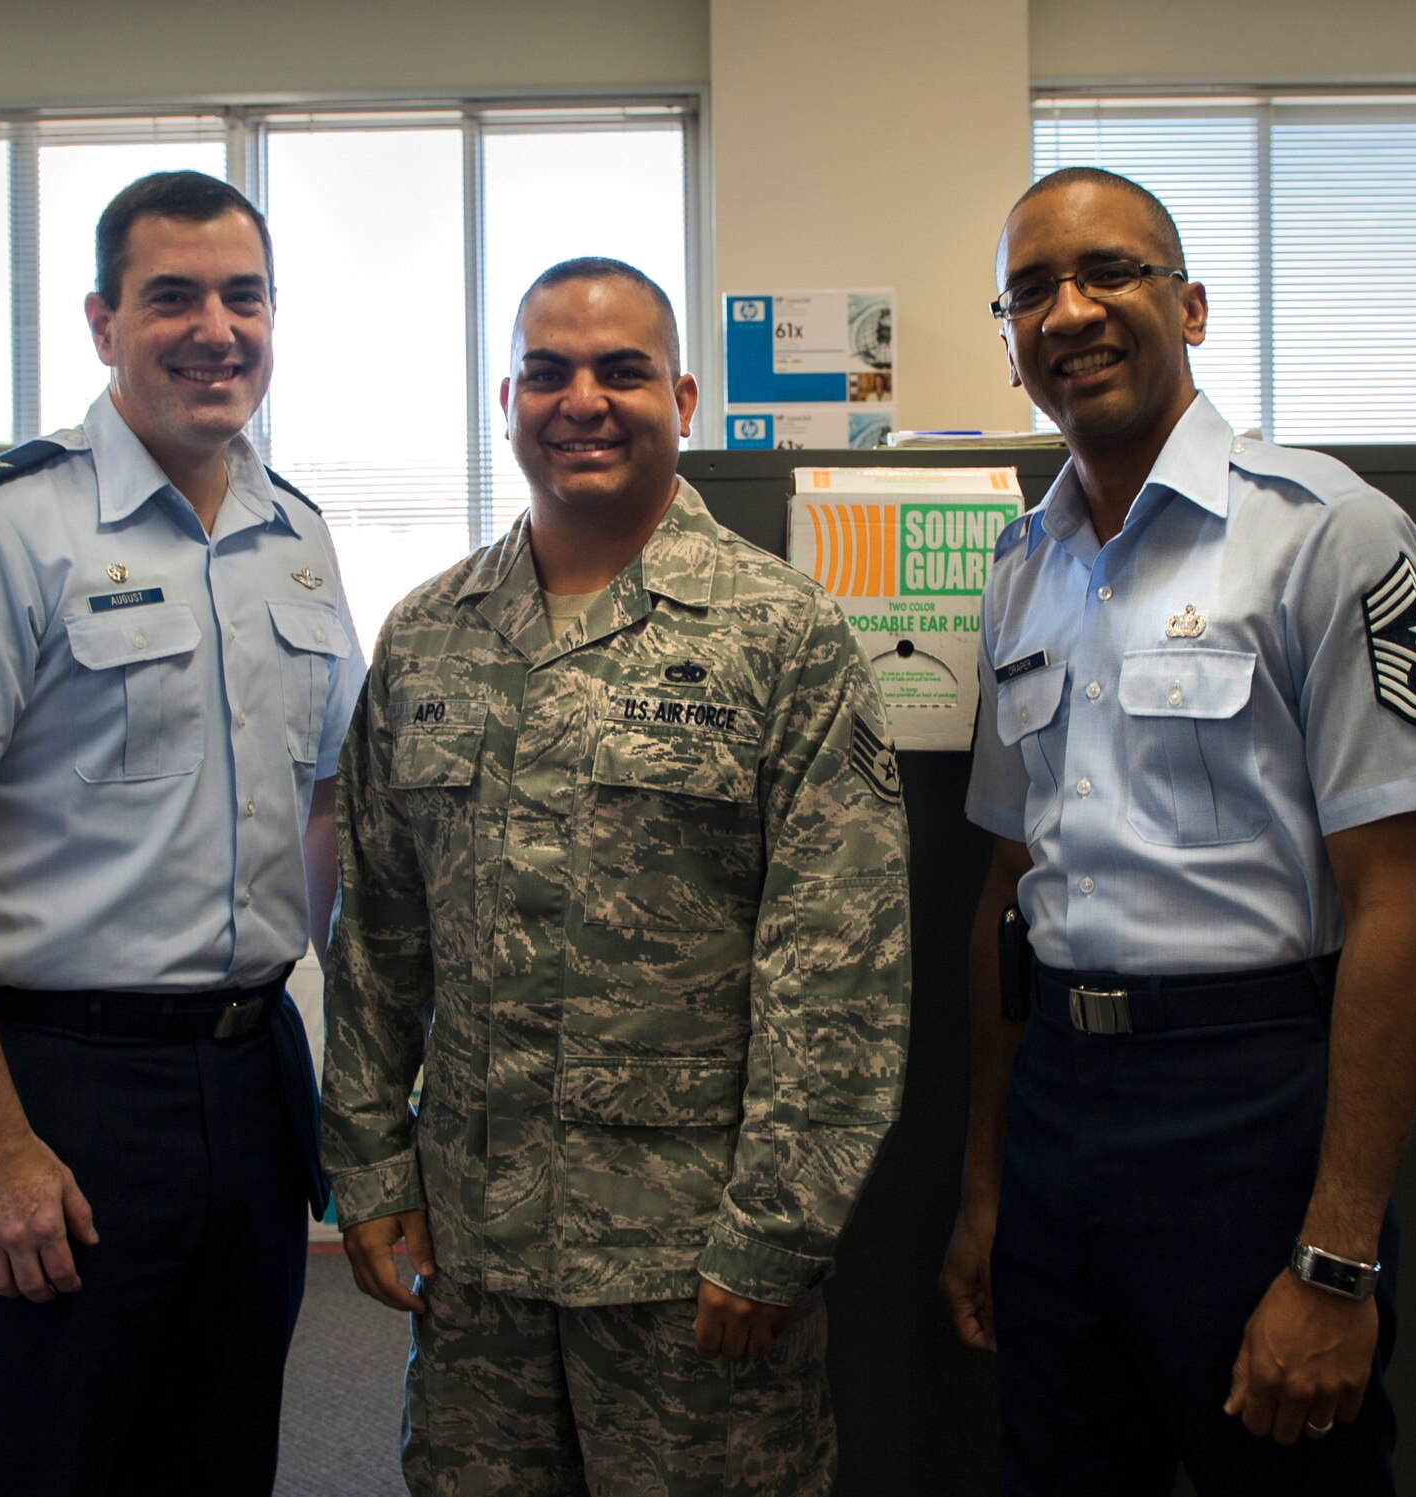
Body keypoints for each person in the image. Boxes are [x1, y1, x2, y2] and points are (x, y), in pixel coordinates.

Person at [321, 257, 910, 1494]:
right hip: (476, 1257)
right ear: (506, 398)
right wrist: (371, 1171)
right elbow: (374, 934)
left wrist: (772, 1234)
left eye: (621, 371)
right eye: (548, 371)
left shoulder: (780, 634)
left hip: (690, 1265)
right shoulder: (427, 634)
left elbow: (837, 972)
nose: (580, 399)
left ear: (683, 400)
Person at [938, 167, 1416, 1496]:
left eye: (1109, 272)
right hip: (1060, 1100)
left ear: (1193, 304)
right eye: (1032, 291)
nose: (1071, 311)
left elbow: (1403, 904)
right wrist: (989, 1182)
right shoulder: (1023, 569)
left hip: (1252, 1109)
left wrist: (1337, 1261)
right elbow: (1009, 886)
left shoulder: (1327, 536)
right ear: (1010, 345)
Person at [0, 170, 362, 1496]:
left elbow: (324, 797)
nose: (214, 328)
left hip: (250, 1087)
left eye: (243, 296)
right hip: (55, 1089)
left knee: (217, 1457)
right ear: (101, 319)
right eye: (170, 296)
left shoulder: (294, 537)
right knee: (35, 1461)